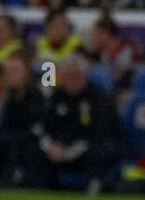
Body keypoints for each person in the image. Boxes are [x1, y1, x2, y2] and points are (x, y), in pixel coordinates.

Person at [31, 55, 127, 192]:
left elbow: (98, 133)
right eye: (67, 77)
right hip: (61, 150)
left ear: (85, 76)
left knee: (98, 152)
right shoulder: (57, 97)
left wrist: (67, 151)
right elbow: (45, 126)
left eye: (76, 76)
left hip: (90, 147)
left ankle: (93, 189)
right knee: (34, 149)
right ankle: (40, 190)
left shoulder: (99, 98)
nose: (72, 81)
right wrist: (51, 146)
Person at [0, 51, 45, 187]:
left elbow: (38, 127)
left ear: (26, 74)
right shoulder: (7, 99)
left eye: (16, 70)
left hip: (29, 145)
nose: (11, 75)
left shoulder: (37, 97)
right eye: (9, 71)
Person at [82, 15, 141, 88]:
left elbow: (124, 76)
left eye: (95, 34)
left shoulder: (127, 49)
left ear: (106, 34)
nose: (91, 38)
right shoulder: (98, 52)